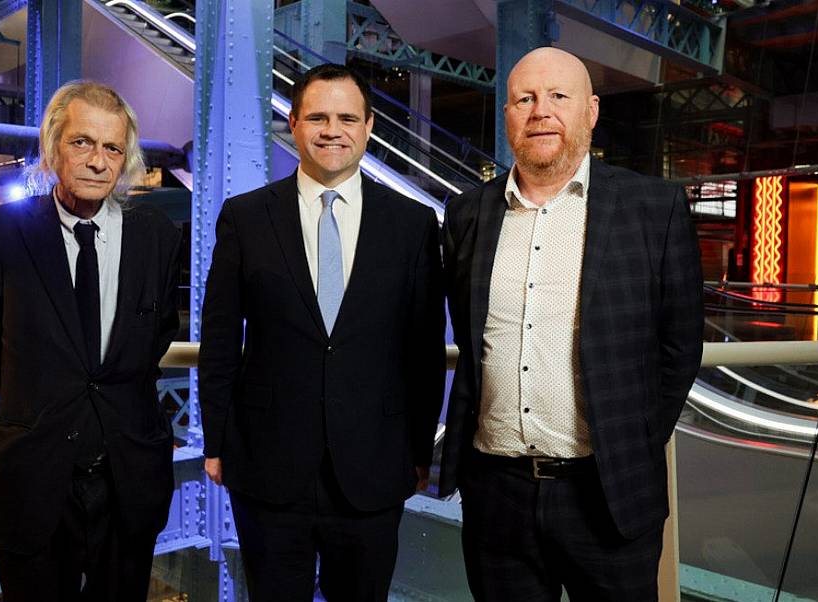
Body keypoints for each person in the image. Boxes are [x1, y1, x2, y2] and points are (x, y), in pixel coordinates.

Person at [439, 47, 704, 601]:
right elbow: (469, 340)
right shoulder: (467, 213)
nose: (541, 111)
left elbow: (680, 348)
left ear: (591, 111)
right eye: (525, 99)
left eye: (559, 96)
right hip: (496, 496)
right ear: (508, 115)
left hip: (607, 497)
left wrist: (630, 442)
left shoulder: (653, 209)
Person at [198, 63, 446, 602]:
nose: (332, 130)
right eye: (317, 117)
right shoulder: (245, 218)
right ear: (293, 123)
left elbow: (423, 351)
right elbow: (219, 340)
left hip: (374, 465)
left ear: (369, 126)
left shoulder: (413, 225)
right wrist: (215, 440)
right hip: (266, 465)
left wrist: (419, 448)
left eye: (347, 118)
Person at [0, 81, 181, 601]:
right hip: (34, 476)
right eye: (82, 142)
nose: (97, 161)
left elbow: (154, 342)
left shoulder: (157, 235)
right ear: (52, 145)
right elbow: (3, 347)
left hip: (127, 477)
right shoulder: (2, 232)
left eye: (112, 148)